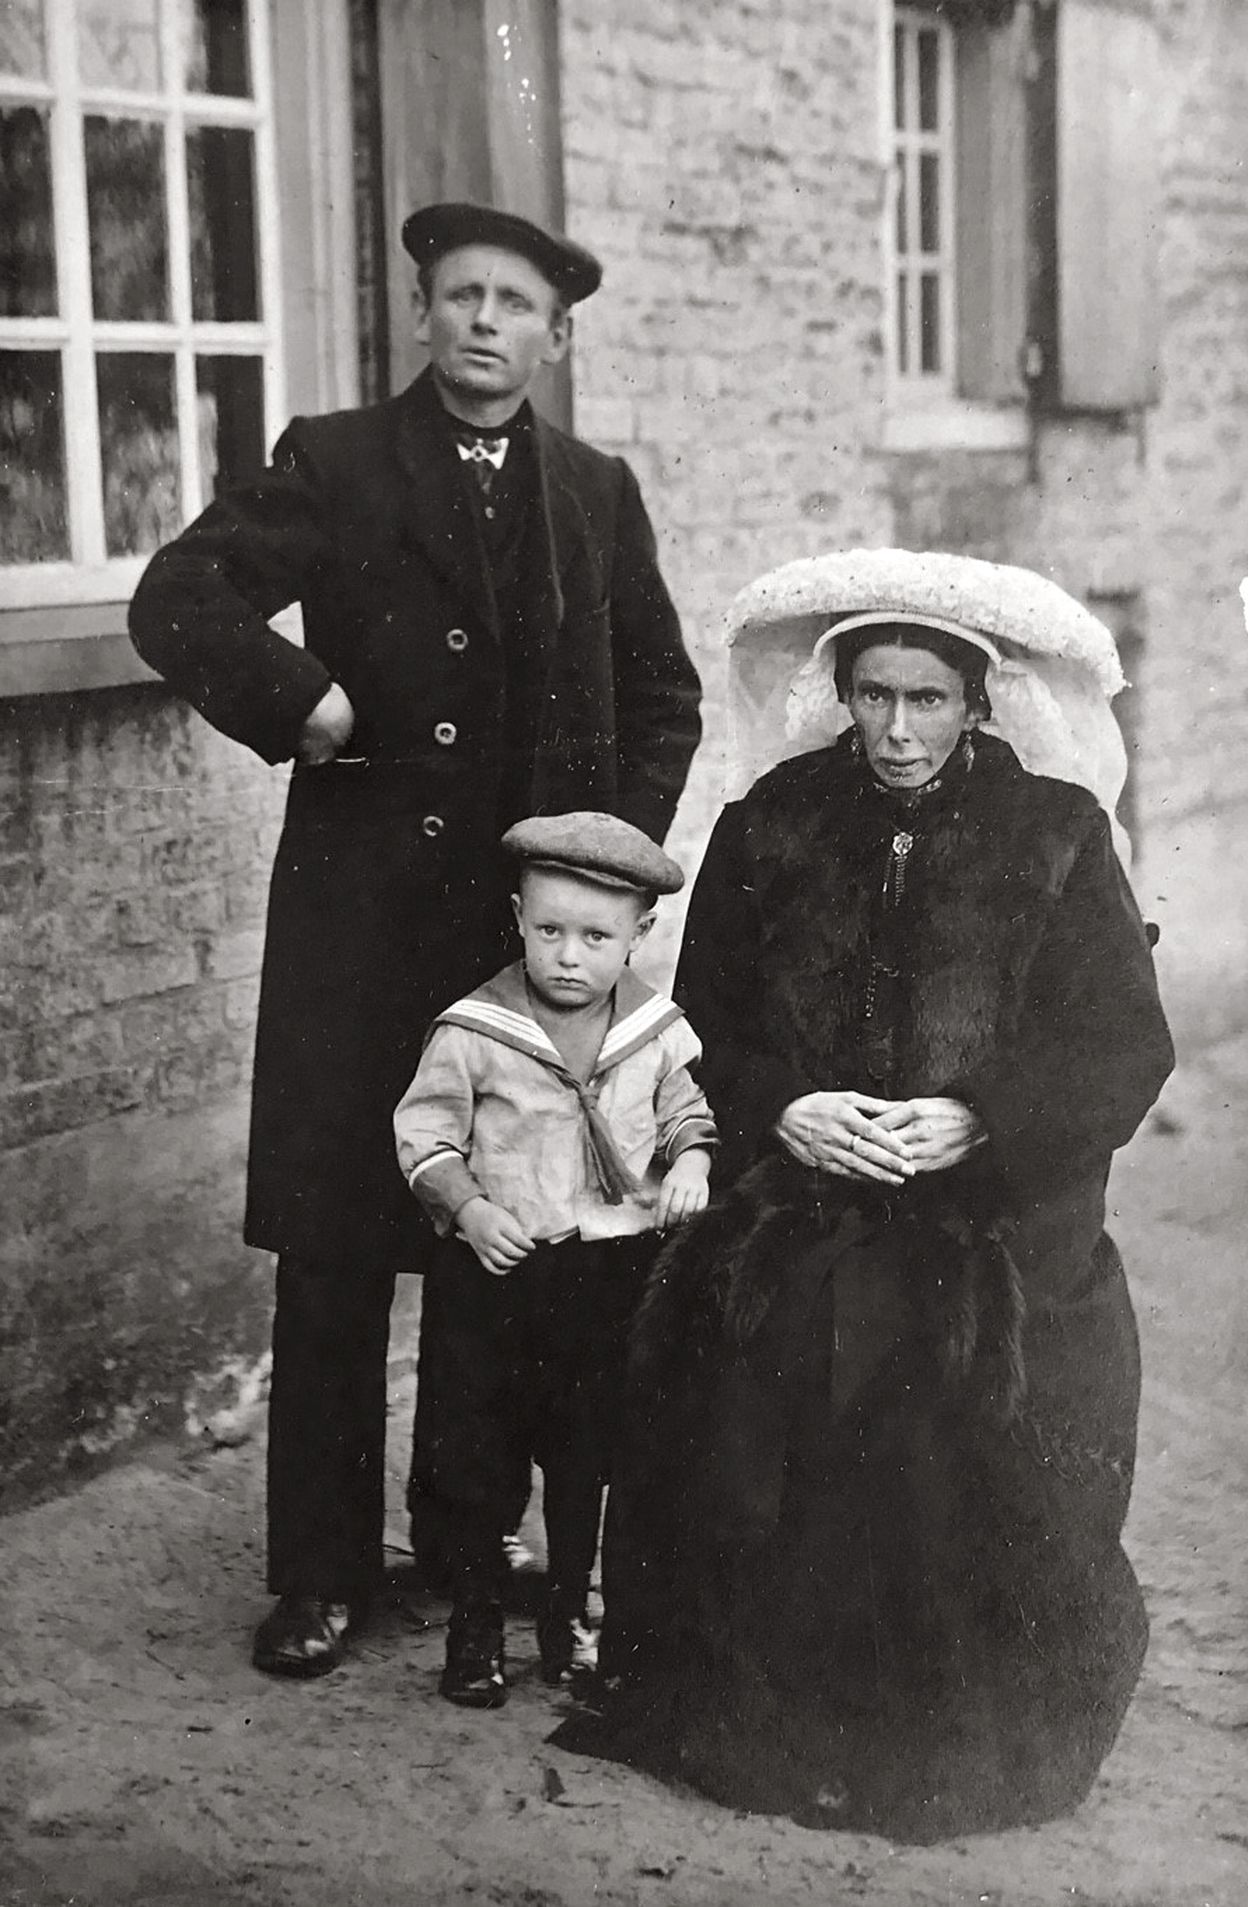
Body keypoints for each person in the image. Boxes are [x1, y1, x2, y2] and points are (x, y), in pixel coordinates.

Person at [127, 203, 701, 1677]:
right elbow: (174, 596)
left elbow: (664, 693)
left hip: (519, 957)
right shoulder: (336, 456)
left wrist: (607, 870)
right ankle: (319, 1571)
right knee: (333, 1253)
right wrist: (298, 693)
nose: (487, 321)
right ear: (424, 315)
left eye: (516, 300)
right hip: (359, 933)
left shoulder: (594, 489)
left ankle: (465, 1548)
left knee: (502, 1248)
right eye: (461, 295)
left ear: (556, 335)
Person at [595, 548, 1176, 1841]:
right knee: (769, 1337)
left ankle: (936, 1727)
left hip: (994, 1222)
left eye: (926, 698)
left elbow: (1122, 1046)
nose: (899, 729)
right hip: (805, 1198)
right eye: (874, 696)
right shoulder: (773, 823)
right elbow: (703, 1023)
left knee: (954, 1374)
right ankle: (778, 1711)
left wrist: (978, 1119)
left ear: (979, 703)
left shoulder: (1056, 837)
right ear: (842, 694)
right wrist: (790, 1108)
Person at [393, 813, 716, 1707]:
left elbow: (684, 1105)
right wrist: (467, 1205)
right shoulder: (476, 1028)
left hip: (605, 1278)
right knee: (480, 1458)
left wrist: (690, 1158)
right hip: (498, 1275)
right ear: (518, 918)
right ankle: (477, 1623)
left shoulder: (652, 1027)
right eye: (549, 931)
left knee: (586, 1457)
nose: (570, 956)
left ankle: (571, 1616)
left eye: (597, 937)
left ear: (638, 936)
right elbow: (425, 1132)